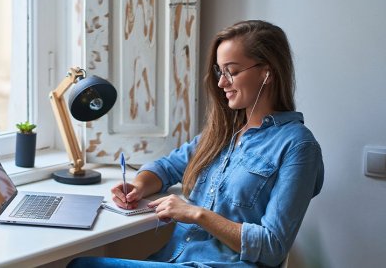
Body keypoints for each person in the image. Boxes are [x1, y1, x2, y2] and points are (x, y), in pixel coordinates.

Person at [68, 20, 324, 267]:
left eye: (231, 72)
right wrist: (137, 186)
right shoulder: (221, 134)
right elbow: (167, 167)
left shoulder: (298, 146)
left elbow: (272, 246)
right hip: (175, 258)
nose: (222, 83)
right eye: (219, 72)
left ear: (266, 73)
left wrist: (196, 214)